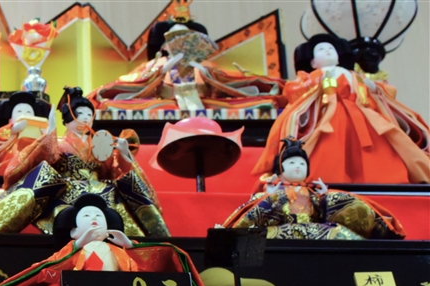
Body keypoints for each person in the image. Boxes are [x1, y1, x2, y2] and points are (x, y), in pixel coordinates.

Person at [0, 87, 169, 237]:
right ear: (67, 119)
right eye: (80, 114)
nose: (85, 119)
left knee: (119, 199)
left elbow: (113, 171)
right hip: (67, 190)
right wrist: (49, 135)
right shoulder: (59, 143)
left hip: (101, 190)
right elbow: (41, 159)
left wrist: (124, 154)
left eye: (89, 115)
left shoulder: (100, 143)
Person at [0, 193, 211, 286]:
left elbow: (155, 262)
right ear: (73, 230)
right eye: (87, 216)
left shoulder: (122, 250)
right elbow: (46, 271)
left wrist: (130, 246)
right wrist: (77, 245)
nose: (94, 218)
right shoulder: (72, 251)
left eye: (99, 216)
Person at [253, 34, 430, 184]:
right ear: (313, 62)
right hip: (329, 115)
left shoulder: (354, 75)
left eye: (331, 48)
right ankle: (327, 178)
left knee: (379, 147)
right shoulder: (311, 76)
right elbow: (293, 90)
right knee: (330, 147)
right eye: (321, 50)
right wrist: (317, 83)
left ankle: (386, 179)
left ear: (339, 58)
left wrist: (373, 87)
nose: (327, 51)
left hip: (362, 113)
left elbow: (384, 90)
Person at [87, 9, 283, 118]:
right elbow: (136, 82)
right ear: (164, 44)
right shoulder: (157, 63)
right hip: (164, 99)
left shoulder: (205, 64)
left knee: (256, 104)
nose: (181, 42)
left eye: (186, 38)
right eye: (174, 39)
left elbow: (222, 83)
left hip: (202, 100)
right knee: (114, 106)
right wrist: (164, 68)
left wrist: (203, 71)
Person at [226, 138, 406, 239]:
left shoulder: (312, 193)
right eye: (292, 163)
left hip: (314, 233)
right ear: (280, 168)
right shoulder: (271, 190)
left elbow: (324, 214)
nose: (298, 167)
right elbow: (254, 214)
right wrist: (270, 196)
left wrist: (325, 198)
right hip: (278, 234)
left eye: (302, 163)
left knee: (338, 232)